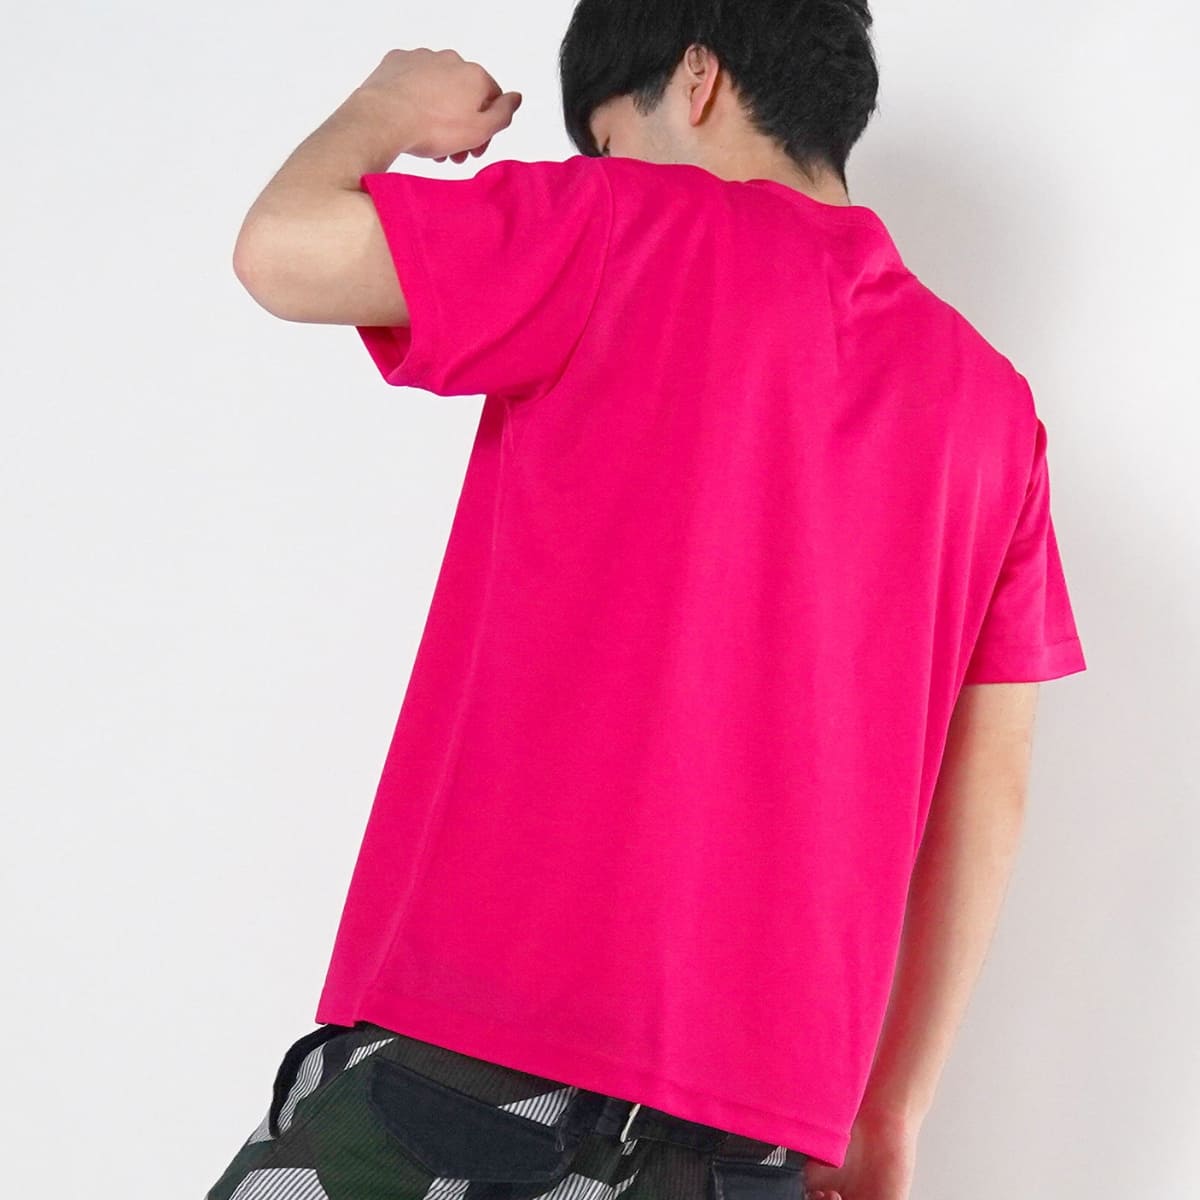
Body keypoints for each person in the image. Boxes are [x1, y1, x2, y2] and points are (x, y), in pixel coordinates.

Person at [217, 4, 1087, 1199]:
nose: (605, 167)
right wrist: (890, 1109)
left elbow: (283, 249)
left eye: (608, 140)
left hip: (477, 1072)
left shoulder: (622, 224)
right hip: (748, 1147)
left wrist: (390, 104)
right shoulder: (995, 413)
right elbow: (991, 786)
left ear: (696, 76)